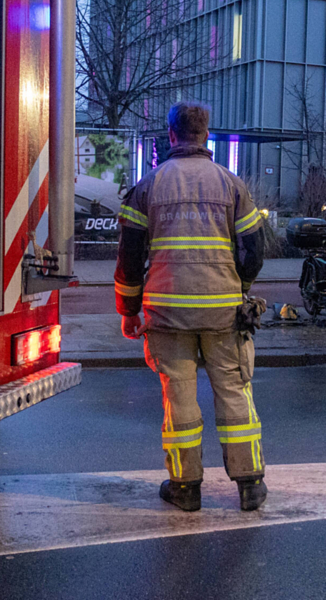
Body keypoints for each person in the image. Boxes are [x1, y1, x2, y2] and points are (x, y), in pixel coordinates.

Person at [114, 102, 268, 513]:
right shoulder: (232, 186)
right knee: (234, 392)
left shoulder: (148, 187)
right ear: (206, 134)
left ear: (171, 135)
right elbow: (254, 251)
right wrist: (240, 287)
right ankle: (250, 484)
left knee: (179, 397)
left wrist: (129, 310)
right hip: (223, 314)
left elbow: (129, 259)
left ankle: (186, 488)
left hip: (166, 315)